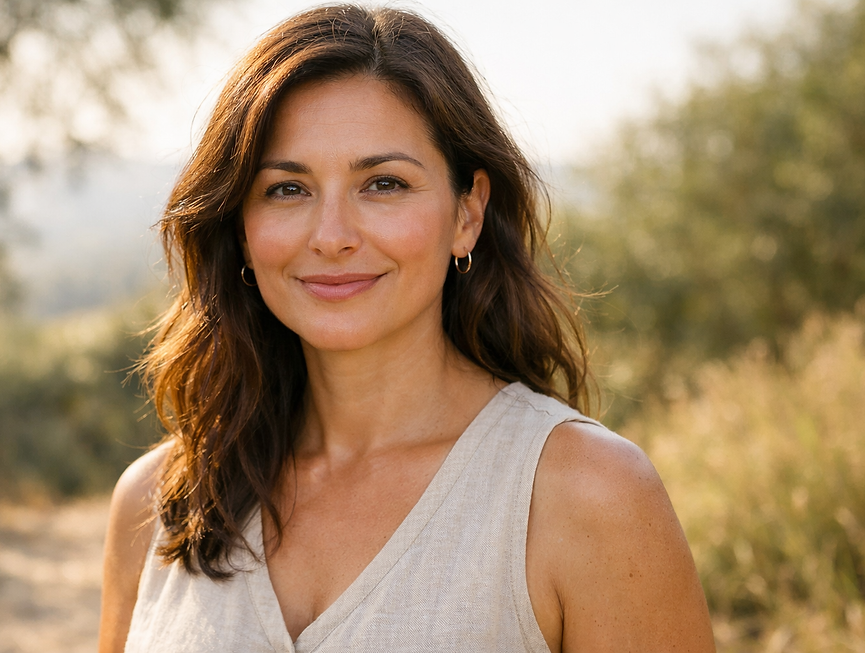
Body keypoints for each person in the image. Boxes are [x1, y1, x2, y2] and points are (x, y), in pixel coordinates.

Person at [98, 5, 715, 652]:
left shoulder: (585, 496)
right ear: (242, 230)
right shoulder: (157, 502)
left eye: (384, 183)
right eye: (286, 189)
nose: (331, 236)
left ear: (467, 214)